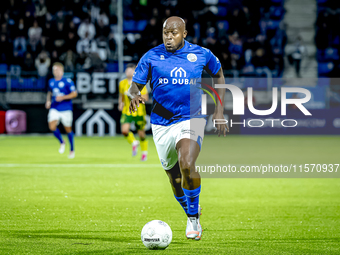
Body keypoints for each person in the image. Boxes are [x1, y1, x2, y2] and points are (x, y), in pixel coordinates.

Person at [128, 16, 228, 240]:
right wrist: (134, 94)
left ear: (184, 33)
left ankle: (193, 219)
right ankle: (191, 211)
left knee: (187, 163)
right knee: (174, 180)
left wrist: (219, 109)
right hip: (161, 123)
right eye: (165, 33)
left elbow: (219, 74)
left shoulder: (201, 54)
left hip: (191, 118)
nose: (169, 37)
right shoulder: (151, 56)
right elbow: (135, 85)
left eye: (173, 33)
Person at [45, 62, 78, 159]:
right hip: (54, 108)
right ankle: (62, 142)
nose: (56, 72)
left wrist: (63, 97)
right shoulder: (51, 81)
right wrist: (48, 101)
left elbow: (74, 94)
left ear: (62, 71)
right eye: (54, 70)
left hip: (66, 108)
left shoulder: (68, 81)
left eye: (58, 70)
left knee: (68, 129)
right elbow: (49, 92)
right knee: (52, 126)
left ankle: (72, 149)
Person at [119, 64, 149, 161]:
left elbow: (146, 98)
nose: (129, 72)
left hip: (139, 111)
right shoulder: (122, 83)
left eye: (131, 71)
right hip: (127, 110)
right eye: (127, 71)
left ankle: (144, 153)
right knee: (124, 131)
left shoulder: (140, 83)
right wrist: (121, 103)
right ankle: (134, 142)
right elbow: (121, 96)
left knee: (142, 134)